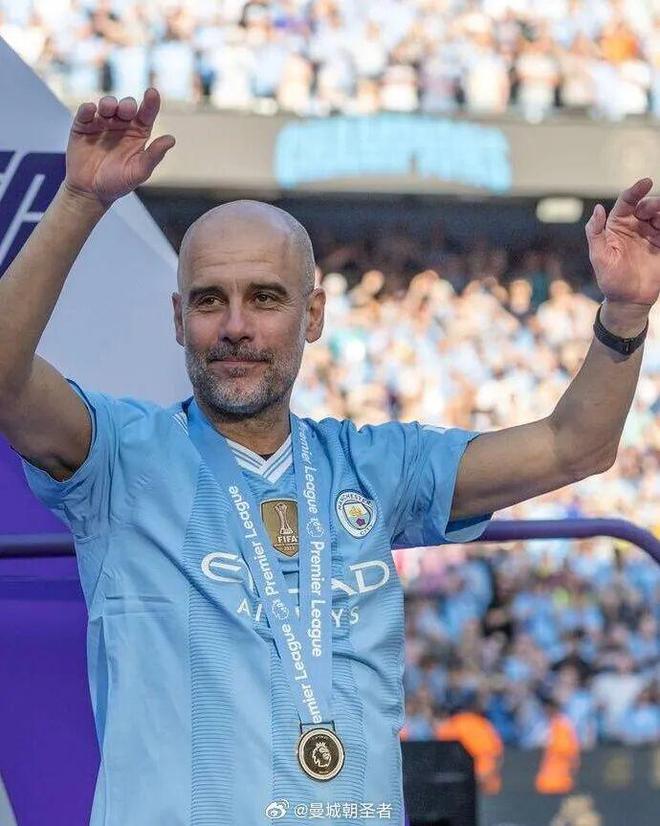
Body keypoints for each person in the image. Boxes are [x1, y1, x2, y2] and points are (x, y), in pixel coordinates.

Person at [0, 87, 656, 826]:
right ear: (178, 319)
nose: (236, 326)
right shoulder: (118, 458)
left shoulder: (377, 467)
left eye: (266, 298)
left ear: (312, 316)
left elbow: (575, 446)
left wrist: (625, 313)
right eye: (210, 300)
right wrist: (80, 200)